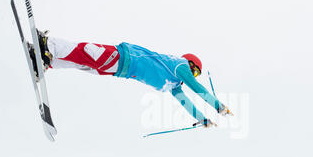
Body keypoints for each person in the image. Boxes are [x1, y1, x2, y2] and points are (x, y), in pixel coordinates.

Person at [28, 30, 233, 127]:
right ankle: (48, 43)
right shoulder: (179, 66)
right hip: (126, 57)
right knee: (88, 52)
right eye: (193, 70)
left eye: (195, 73)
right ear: (189, 63)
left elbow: (185, 102)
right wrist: (219, 106)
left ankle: (48, 61)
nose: (192, 75)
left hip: (121, 71)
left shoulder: (173, 85)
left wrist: (202, 119)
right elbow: (197, 89)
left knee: (86, 64)